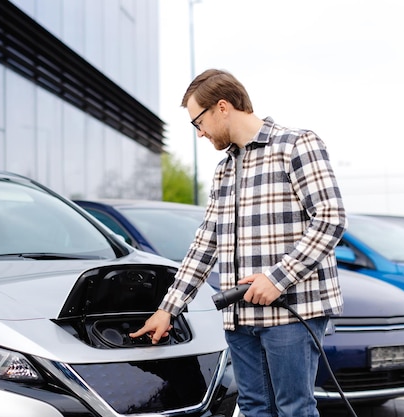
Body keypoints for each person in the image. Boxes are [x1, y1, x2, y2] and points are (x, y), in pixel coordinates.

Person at [130, 69, 346, 417]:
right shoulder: (224, 170)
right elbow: (205, 243)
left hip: (291, 312)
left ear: (223, 107)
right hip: (239, 317)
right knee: (253, 408)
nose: (199, 133)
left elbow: (331, 218)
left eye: (198, 122)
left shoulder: (295, 145)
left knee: (294, 408)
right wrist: (167, 309)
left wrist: (277, 279)